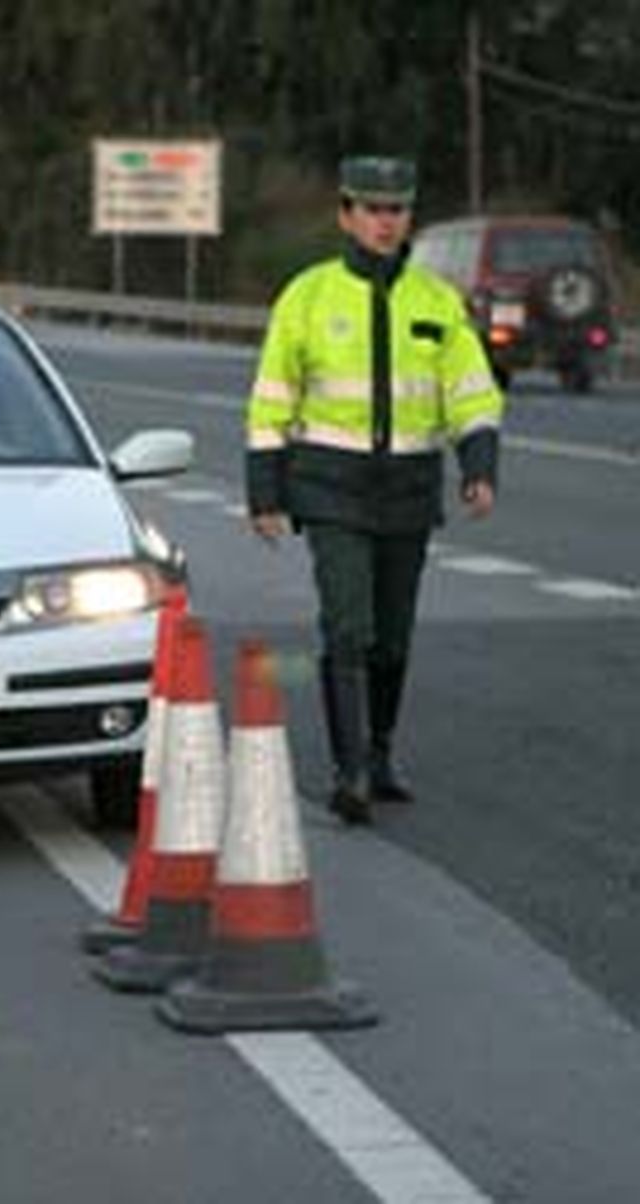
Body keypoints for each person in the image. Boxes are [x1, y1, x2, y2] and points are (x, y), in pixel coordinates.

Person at [245, 155, 504, 825]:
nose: (387, 222)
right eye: (373, 209)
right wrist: (265, 493)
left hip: (409, 488)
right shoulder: (307, 296)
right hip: (331, 487)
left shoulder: (436, 301)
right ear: (346, 214)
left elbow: (473, 395)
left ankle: (380, 753)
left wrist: (479, 467)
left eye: (397, 210)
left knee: (392, 636)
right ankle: (350, 770)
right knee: (350, 625)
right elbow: (272, 398)